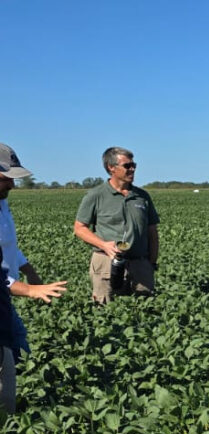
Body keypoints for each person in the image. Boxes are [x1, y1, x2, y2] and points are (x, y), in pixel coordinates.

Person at [0, 143, 69, 413]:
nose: (13, 186)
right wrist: (28, 291)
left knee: (15, 346)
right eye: (7, 179)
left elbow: (8, 245)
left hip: (5, 293)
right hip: (5, 289)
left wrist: (28, 270)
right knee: (10, 347)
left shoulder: (2, 203)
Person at [74, 147, 160, 303]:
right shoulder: (96, 195)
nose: (132, 169)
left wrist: (151, 264)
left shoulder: (142, 196)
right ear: (111, 168)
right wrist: (104, 245)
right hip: (106, 263)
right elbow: (79, 228)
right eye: (127, 166)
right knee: (104, 309)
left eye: (134, 165)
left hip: (139, 264)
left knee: (145, 311)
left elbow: (152, 232)